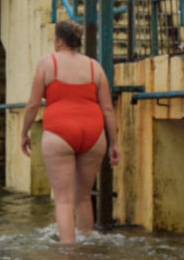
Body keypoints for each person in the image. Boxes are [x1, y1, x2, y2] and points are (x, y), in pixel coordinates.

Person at [18, 19, 122, 244]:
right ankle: (86, 244)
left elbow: (33, 105)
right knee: (83, 197)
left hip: (60, 132)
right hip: (94, 135)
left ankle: (68, 254)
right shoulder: (95, 67)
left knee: (64, 200)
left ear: (60, 40)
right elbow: (107, 108)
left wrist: (24, 133)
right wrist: (114, 144)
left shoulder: (48, 63)